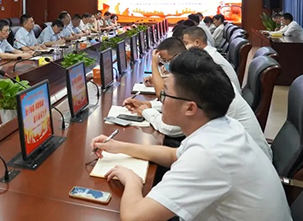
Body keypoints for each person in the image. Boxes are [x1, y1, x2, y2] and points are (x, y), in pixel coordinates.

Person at [91, 49, 291, 221]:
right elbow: (174, 155)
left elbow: (134, 216)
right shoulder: (224, 126)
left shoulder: (209, 156)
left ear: (190, 108)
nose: (161, 100)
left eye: (165, 93)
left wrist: (132, 181)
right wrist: (119, 147)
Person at [181, 26, 271, 158]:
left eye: (185, 43)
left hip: (244, 157)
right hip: (242, 150)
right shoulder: (207, 66)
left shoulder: (209, 78)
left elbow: (178, 126)